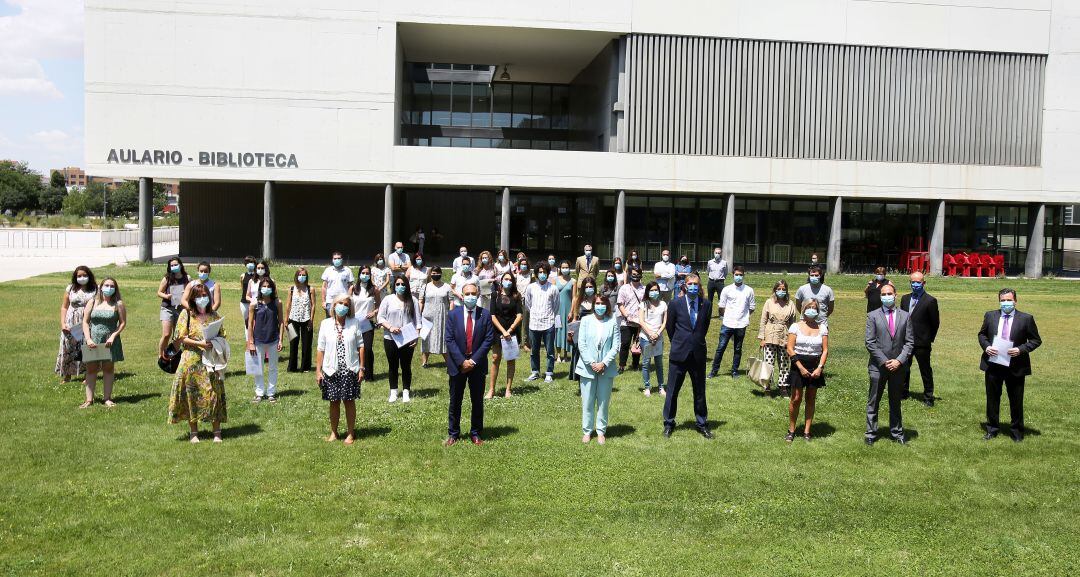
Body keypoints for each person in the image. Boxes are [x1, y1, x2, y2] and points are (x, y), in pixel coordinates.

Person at [978, 288, 1042, 442]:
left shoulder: (1026, 319)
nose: (1005, 303)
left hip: (1016, 366)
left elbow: (1036, 340)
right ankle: (992, 429)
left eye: (1009, 300)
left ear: (1015, 301)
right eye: (1003, 300)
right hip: (993, 364)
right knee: (992, 399)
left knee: (1016, 400)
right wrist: (987, 347)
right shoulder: (990, 315)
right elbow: (982, 334)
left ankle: (1017, 432)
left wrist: (1021, 349)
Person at [168, 283, 227, 443]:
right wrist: (200, 343)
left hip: (211, 360)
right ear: (193, 299)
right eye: (198, 296)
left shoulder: (214, 315)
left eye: (205, 296)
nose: (202, 299)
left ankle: (217, 432)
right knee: (190, 395)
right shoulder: (186, 314)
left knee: (213, 393)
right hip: (190, 361)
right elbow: (181, 338)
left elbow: (222, 334)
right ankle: (194, 433)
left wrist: (215, 341)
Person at [662, 274, 712, 439]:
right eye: (690, 284)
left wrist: (694, 342)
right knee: (672, 391)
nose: (692, 286)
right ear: (684, 285)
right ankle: (669, 423)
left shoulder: (706, 305)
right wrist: (679, 342)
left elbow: (703, 327)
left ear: (699, 286)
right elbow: (670, 328)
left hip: (697, 354)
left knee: (699, 391)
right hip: (679, 353)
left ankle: (702, 423)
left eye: (695, 284)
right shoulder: (675, 304)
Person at [444, 283, 495, 446]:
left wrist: (472, 361)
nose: (471, 296)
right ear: (462, 295)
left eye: (474, 293)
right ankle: (453, 433)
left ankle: (476, 433)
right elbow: (449, 339)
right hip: (457, 365)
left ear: (478, 295)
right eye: (467, 294)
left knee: (477, 401)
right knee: (455, 400)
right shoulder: (453, 315)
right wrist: (462, 361)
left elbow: (488, 340)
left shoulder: (485, 315)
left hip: (477, 365)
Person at [864, 284, 914, 445]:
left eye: (889, 293)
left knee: (895, 401)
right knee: (874, 400)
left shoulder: (905, 316)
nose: (887, 296)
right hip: (878, 367)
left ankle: (897, 432)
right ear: (880, 296)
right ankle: (871, 433)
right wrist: (885, 361)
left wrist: (899, 360)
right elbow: (870, 342)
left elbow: (909, 342)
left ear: (895, 295)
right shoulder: (872, 316)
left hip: (898, 367)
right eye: (884, 294)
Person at [317, 295, 365, 445]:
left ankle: (351, 433)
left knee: (349, 401)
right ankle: (334, 432)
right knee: (334, 401)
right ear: (334, 305)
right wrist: (318, 370)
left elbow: (361, 346)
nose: (342, 306)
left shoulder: (354, 323)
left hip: (350, 369)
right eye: (339, 303)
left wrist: (361, 368)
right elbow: (320, 348)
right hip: (331, 369)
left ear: (349, 308)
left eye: (345, 304)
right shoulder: (325, 324)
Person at [576, 294, 621, 444]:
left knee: (603, 401)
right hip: (588, 368)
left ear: (607, 305)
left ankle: (601, 431)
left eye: (603, 303)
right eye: (597, 303)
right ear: (593, 305)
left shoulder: (613, 321)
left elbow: (616, 345)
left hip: (606, 369)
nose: (600, 306)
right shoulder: (585, 320)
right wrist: (592, 363)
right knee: (587, 401)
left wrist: (604, 363)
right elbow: (581, 344)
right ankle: (587, 431)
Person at [785, 300, 829, 442]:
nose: (811, 310)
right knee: (796, 398)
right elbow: (790, 349)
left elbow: (825, 350)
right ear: (803, 309)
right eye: (809, 307)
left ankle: (806, 431)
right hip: (798, 365)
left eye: (814, 308)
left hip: (815, 366)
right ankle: (791, 430)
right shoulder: (795, 326)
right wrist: (801, 367)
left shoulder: (822, 328)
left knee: (810, 398)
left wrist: (819, 368)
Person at [79, 277, 126, 408]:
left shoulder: (118, 304)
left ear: (115, 289)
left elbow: (122, 323)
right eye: (106, 285)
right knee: (91, 369)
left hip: (109, 342)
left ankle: (107, 398)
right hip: (92, 340)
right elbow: (85, 321)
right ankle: (89, 400)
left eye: (112, 286)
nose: (109, 288)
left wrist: (113, 336)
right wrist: (88, 339)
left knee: (108, 369)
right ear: (101, 287)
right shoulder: (93, 302)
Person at [377, 276, 422, 403]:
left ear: (407, 285)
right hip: (390, 338)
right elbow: (380, 318)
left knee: (406, 366)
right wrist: (390, 327)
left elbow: (418, 321)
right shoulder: (387, 299)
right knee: (393, 365)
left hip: (407, 338)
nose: (400, 286)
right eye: (398, 284)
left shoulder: (413, 300)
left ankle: (406, 391)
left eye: (403, 284)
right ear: (394, 286)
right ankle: (394, 392)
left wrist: (416, 337)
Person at [901, 272, 940, 407]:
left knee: (925, 370)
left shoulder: (930, 301)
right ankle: (903, 392)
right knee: (904, 368)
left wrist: (928, 339)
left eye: (918, 282)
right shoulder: (905, 299)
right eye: (913, 282)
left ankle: (928, 397)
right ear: (910, 283)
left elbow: (935, 323)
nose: (915, 284)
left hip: (922, 342)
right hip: (906, 341)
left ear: (924, 283)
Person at [709, 266, 756, 379]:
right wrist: (728, 316)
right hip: (727, 324)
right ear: (733, 275)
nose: (738, 277)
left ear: (743, 275)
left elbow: (752, 307)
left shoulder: (749, 290)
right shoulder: (727, 289)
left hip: (741, 325)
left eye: (740, 275)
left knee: (738, 349)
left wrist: (744, 316)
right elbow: (721, 307)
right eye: (736, 274)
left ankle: (734, 371)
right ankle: (714, 371)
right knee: (721, 348)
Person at [757, 279, 798, 395]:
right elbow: (763, 320)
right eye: (779, 289)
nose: (781, 291)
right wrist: (762, 338)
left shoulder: (790, 304)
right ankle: (767, 386)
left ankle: (783, 386)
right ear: (775, 290)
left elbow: (793, 324)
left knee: (784, 362)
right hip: (770, 335)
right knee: (768, 362)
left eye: (783, 289)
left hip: (784, 336)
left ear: (786, 290)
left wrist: (791, 340)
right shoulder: (769, 302)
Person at [56, 265, 97, 383]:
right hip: (71, 321)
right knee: (68, 346)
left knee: (85, 346)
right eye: (79, 276)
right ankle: (66, 375)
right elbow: (64, 307)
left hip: (88, 321)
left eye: (84, 275)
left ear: (89, 276)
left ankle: (86, 374)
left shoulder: (95, 289)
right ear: (75, 277)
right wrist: (63, 323)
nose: (82, 277)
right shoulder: (70, 288)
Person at [247, 278, 285, 403]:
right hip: (258, 341)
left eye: (269, 286)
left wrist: (281, 340)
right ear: (260, 289)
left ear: (273, 288)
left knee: (273, 367)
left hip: (273, 340)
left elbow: (281, 322)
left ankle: (271, 393)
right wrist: (250, 342)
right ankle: (259, 392)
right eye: (264, 286)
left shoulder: (277, 302)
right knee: (258, 368)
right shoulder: (254, 304)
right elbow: (250, 324)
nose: (266, 288)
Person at [488, 272, 523, 398]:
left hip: (512, 331)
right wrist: (503, 331)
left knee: (510, 359)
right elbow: (492, 315)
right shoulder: (494, 295)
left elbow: (519, 315)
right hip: (498, 331)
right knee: (495, 358)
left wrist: (510, 330)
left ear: (513, 282)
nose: (508, 281)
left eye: (510, 279)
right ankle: (491, 390)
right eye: (505, 279)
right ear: (501, 281)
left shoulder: (516, 295)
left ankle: (508, 389)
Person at [524, 262, 559, 383]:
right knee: (534, 350)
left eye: (544, 272)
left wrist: (549, 316)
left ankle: (549, 372)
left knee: (550, 350)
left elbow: (556, 306)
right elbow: (528, 304)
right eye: (540, 272)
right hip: (534, 323)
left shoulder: (553, 288)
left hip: (548, 322)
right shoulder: (530, 287)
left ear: (548, 274)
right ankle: (535, 372)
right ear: (536, 274)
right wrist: (535, 313)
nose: (542, 274)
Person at [350, 265, 381, 382]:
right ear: (359, 274)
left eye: (367, 273)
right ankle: (355, 373)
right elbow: (347, 303)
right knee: (354, 348)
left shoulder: (375, 289)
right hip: (354, 323)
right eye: (363, 273)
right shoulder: (353, 289)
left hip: (368, 324)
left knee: (367, 348)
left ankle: (368, 374)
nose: (365, 275)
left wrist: (374, 312)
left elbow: (379, 306)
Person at [156, 258, 190, 359]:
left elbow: (190, 291)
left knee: (178, 335)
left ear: (180, 265)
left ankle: (172, 355)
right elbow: (159, 292)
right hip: (167, 308)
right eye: (172, 265)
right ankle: (161, 355)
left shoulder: (187, 278)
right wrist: (166, 296)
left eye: (176, 264)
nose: (174, 267)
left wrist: (186, 294)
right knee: (166, 334)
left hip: (181, 309)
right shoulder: (167, 278)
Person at [638, 281, 668, 397]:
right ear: (648, 292)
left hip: (658, 337)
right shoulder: (643, 304)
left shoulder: (663, 304)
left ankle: (661, 387)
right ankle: (647, 387)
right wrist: (650, 334)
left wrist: (657, 334)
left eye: (656, 290)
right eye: (651, 290)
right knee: (646, 363)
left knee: (659, 363)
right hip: (645, 337)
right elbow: (641, 321)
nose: (654, 292)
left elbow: (664, 321)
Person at [419, 265, 452, 368]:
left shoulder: (447, 286)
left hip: (443, 316)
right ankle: (425, 362)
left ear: (441, 274)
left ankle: (448, 361)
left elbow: (451, 301)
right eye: (433, 273)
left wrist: (450, 314)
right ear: (430, 274)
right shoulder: (425, 287)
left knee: (443, 337)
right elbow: (421, 301)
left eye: (437, 273)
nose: (435, 275)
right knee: (426, 337)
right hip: (427, 315)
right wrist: (419, 315)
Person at [568, 276, 598, 382]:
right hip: (581, 334)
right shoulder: (578, 300)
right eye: (586, 287)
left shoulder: (598, 300)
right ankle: (581, 384)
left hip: (595, 333)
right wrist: (571, 331)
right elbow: (575, 319)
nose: (589, 289)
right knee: (580, 358)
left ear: (594, 287)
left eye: (591, 287)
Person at [284, 267, 315, 373]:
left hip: (306, 320)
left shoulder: (310, 289)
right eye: (300, 275)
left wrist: (311, 319)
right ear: (296, 276)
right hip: (293, 319)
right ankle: (292, 367)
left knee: (306, 344)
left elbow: (313, 305)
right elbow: (288, 304)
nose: (301, 277)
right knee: (293, 343)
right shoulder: (292, 289)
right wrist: (286, 319)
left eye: (304, 275)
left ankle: (305, 367)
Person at [616, 268, 645, 373]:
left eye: (638, 274)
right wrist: (627, 315)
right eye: (633, 274)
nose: (635, 276)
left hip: (639, 322)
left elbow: (646, 304)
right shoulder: (624, 288)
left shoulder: (644, 289)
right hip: (626, 321)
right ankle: (622, 365)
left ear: (641, 275)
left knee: (637, 343)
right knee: (625, 343)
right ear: (629, 275)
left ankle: (635, 364)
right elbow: (620, 304)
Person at [321, 251, 353, 317]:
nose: (337, 260)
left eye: (339, 258)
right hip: (330, 301)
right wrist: (324, 301)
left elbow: (350, 287)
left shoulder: (347, 271)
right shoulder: (328, 270)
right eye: (335, 258)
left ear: (342, 259)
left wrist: (348, 299)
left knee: (343, 321)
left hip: (343, 301)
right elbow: (324, 287)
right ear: (332, 260)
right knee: (330, 321)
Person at [555, 261, 575, 363]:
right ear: (560, 268)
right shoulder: (555, 280)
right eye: (563, 267)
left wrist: (571, 311)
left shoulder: (573, 281)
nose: (565, 269)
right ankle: (558, 355)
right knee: (558, 330)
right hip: (557, 310)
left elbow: (574, 297)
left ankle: (566, 354)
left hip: (568, 310)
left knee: (567, 331)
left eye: (567, 267)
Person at [239, 256, 257, 339]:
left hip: (255, 302)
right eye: (248, 263)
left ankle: (255, 337)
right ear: (245, 265)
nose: (250, 265)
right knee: (247, 322)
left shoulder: (257, 276)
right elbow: (243, 288)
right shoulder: (243, 276)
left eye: (252, 263)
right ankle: (248, 339)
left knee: (255, 320)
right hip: (244, 303)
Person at [515, 259, 532, 350]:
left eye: (525, 264)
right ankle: (517, 342)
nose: (523, 266)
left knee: (526, 323)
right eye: (522, 264)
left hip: (527, 301)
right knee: (517, 322)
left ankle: (525, 343)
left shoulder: (531, 275)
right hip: (517, 301)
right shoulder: (516, 275)